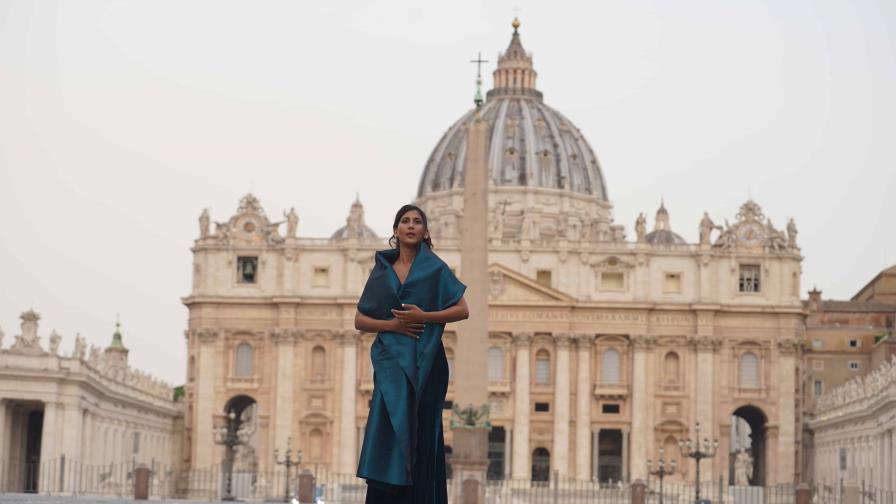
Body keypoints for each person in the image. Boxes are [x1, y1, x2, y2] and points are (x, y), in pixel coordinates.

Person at [355, 204, 469, 504]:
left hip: (427, 361)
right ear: (395, 230)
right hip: (391, 362)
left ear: (425, 231)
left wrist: (425, 316)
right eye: (404, 221)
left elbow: (462, 310)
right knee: (386, 426)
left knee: (422, 433)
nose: (410, 226)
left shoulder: (435, 268)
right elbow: (360, 320)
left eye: (417, 222)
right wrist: (391, 324)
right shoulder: (382, 271)